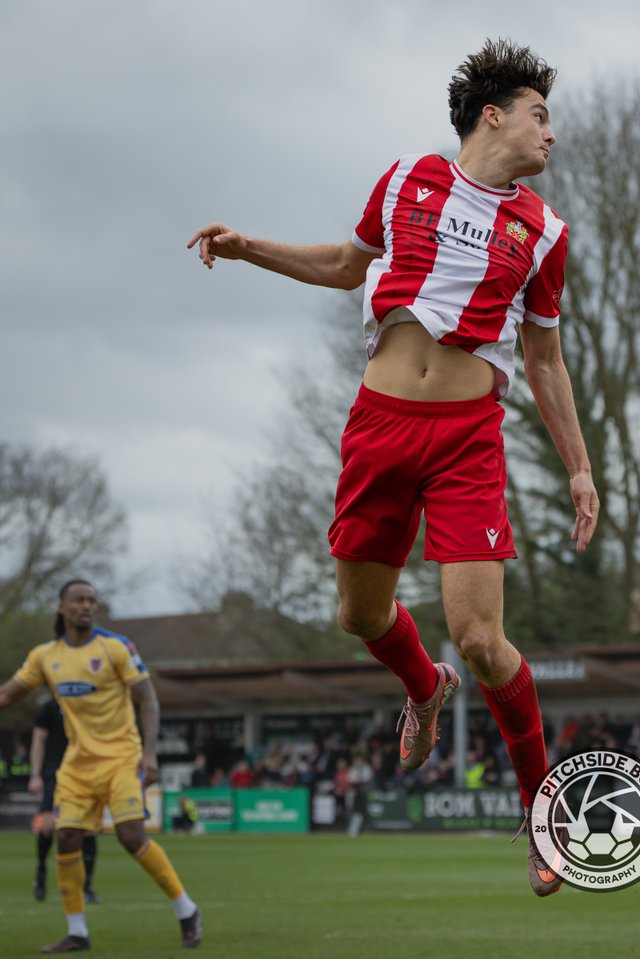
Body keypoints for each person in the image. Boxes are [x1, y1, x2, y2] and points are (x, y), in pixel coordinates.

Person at [187, 38, 596, 897]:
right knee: (356, 615)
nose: (551, 133)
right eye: (540, 114)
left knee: (483, 639)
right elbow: (346, 266)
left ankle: (543, 815)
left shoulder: (545, 232)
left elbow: (547, 362)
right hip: (378, 425)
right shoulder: (407, 176)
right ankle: (422, 683)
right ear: (495, 114)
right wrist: (247, 245)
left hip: (467, 438)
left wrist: (581, 471)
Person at [0, 579, 202, 952]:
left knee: (131, 836)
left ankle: (187, 910)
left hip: (122, 758)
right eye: (78, 600)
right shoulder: (46, 656)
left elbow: (149, 700)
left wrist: (150, 753)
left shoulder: (115, 648)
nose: (87, 606)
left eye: (92, 600)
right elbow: (8, 694)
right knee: (66, 836)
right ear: (62, 607)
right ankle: (77, 932)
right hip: (76, 766)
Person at [29, 698, 101, 904]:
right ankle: (41, 872)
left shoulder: (90, 704)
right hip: (56, 772)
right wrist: (36, 774)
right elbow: (39, 739)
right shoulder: (51, 706)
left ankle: (87, 886)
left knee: (88, 830)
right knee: (49, 826)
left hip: (85, 772)